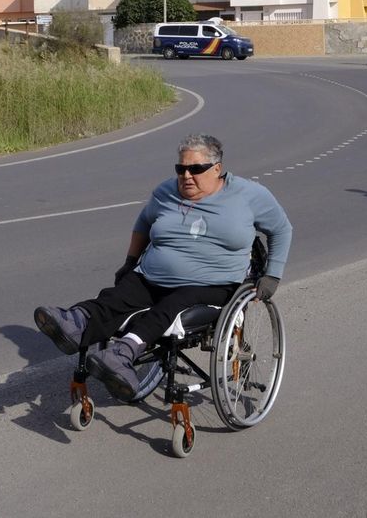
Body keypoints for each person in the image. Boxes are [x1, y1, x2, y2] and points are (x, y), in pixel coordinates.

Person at [32, 134, 292, 401]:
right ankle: (75, 322)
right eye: (181, 169)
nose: (186, 175)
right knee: (119, 294)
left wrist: (272, 274)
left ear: (217, 169)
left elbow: (281, 229)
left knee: (174, 303)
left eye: (195, 169)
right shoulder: (165, 191)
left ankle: (123, 352)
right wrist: (130, 262)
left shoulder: (249, 195)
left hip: (212, 284)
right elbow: (143, 223)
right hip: (153, 275)